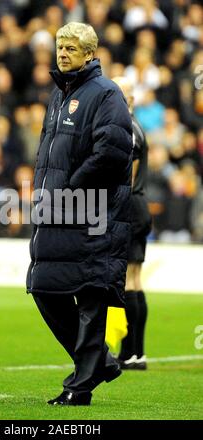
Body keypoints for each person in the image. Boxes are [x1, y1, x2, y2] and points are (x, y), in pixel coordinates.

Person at [26, 22, 133, 406]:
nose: (63, 53)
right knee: (44, 286)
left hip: (92, 214)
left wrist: (71, 187)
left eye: (71, 48)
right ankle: (100, 362)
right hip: (55, 211)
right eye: (59, 47)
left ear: (90, 54)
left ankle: (80, 386)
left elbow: (114, 152)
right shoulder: (59, 95)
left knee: (90, 294)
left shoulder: (107, 94)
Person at [112, 77, 152, 370]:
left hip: (130, 207)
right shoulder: (135, 127)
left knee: (127, 280)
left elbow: (127, 176)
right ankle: (137, 352)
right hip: (139, 206)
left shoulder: (129, 131)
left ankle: (129, 352)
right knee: (135, 280)